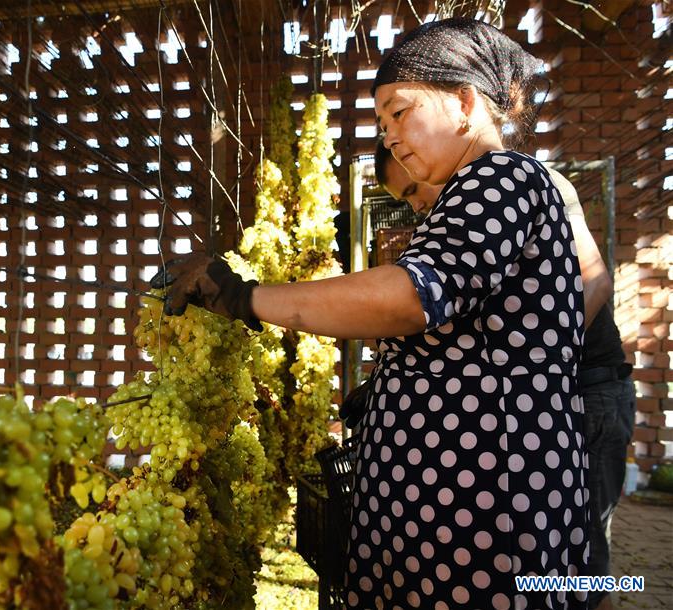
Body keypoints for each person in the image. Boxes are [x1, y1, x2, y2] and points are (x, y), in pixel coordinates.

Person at [152, 18, 590, 609]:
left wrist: (246, 298)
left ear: (464, 101)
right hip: (448, 508)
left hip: (484, 509)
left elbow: (411, 296)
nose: (390, 139)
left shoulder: (502, 177)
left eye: (399, 113)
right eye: (383, 127)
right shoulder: (466, 195)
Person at [374, 143, 636, 610]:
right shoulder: (455, 215)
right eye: (404, 198)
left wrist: (536, 366)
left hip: (587, 389)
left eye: (414, 185)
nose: (414, 204)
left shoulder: (526, 184)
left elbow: (594, 280)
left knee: (582, 570)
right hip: (538, 403)